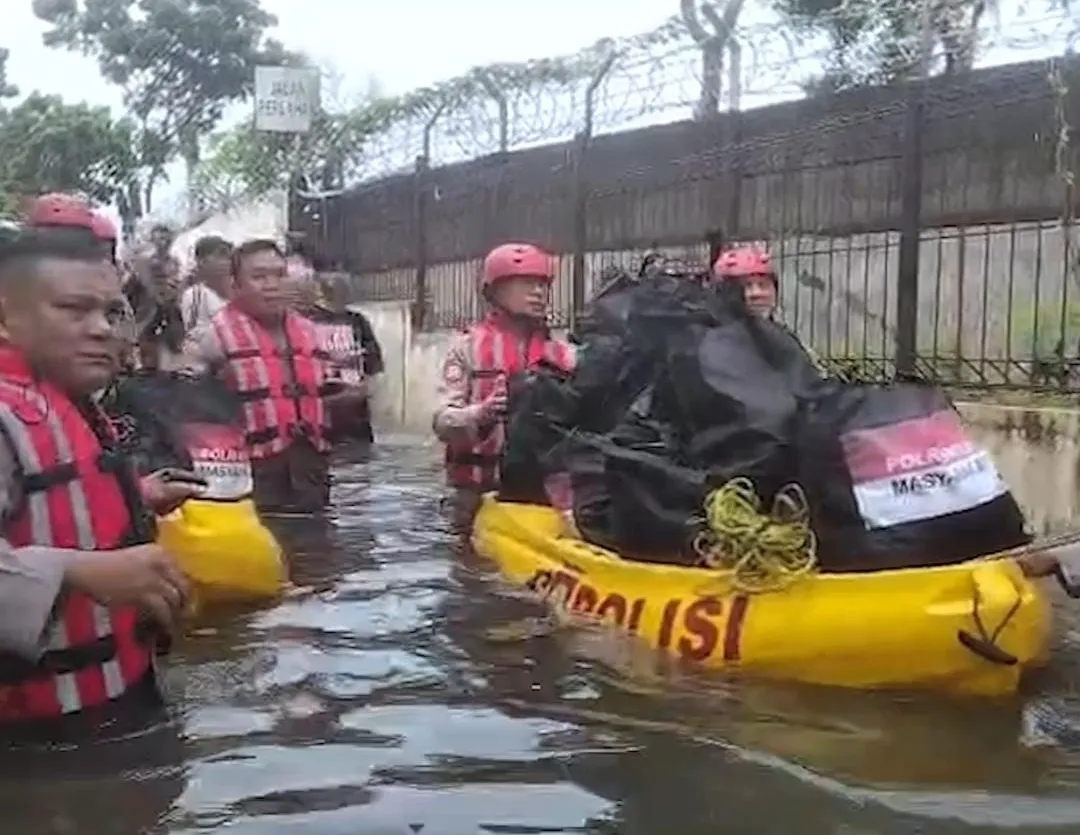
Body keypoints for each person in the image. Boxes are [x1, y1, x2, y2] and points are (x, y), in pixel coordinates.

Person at [0, 193, 202, 730]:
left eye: (112, 312)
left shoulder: (64, 398)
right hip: (39, 741)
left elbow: (50, 495)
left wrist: (139, 494)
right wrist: (81, 571)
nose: (102, 329)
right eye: (72, 309)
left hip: (113, 698)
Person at [181, 238, 340, 513]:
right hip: (249, 473)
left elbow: (328, 396)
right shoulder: (211, 337)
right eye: (258, 277)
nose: (271, 285)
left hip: (310, 469)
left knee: (315, 547)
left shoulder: (312, 333)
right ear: (235, 286)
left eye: (279, 275)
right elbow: (186, 411)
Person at [433, 242, 576, 529]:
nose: (538, 292)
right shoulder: (467, 349)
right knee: (470, 567)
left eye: (542, 285)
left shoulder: (563, 355)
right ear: (495, 291)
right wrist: (480, 413)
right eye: (525, 283)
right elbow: (442, 421)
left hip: (540, 497)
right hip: (477, 494)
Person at [288, 264, 384, 447]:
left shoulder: (358, 321)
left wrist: (366, 390)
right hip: (319, 415)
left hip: (355, 416)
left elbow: (373, 364)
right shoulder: (301, 323)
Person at [127, 223, 184, 370]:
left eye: (167, 238)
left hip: (169, 313)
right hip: (147, 312)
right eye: (159, 238)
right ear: (153, 240)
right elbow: (139, 284)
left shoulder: (174, 262)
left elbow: (176, 285)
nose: (163, 242)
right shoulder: (143, 261)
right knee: (147, 351)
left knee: (170, 353)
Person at [179, 235, 232, 335]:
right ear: (202, 262)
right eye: (221, 254)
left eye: (229, 255)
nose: (227, 260)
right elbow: (194, 335)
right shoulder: (195, 295)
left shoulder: (238, 291)